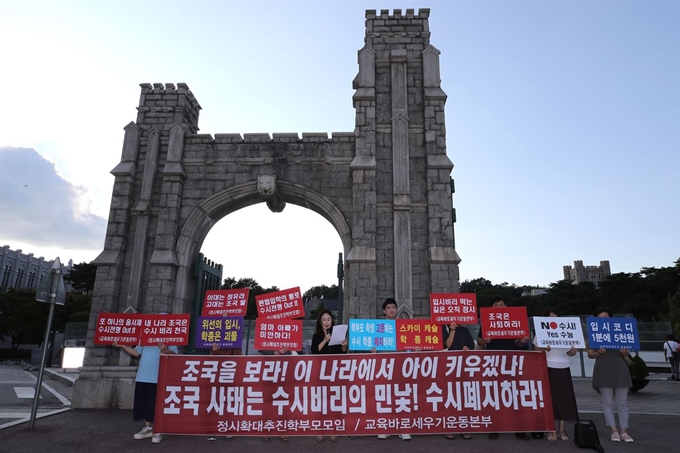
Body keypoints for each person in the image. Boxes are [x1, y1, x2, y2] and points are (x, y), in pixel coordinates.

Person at [477, 297, 533, 441]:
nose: (498, 307)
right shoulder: (487, 321)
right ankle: (495, 427)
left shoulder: (514, 320)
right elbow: (479, 341)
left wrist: (522, 341)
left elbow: (519, 344)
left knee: (515, 395)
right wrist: (485, 340)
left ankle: (519, 428)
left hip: (511, 361)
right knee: (495, 395)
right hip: (493, 361)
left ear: (506, 306)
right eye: (495, 305)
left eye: (501, 305)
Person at [113, 336, 177, 444]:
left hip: (158, 376)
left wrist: (164, 350)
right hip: (142, 376)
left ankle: (158, 429)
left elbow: (175, 355)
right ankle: (148, 428)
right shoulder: (146, 338)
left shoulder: (170, 337)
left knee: (155, 404)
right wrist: (122, 345)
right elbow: (136, 352)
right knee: (143, 403)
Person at [587, 308, 634, 443]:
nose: (603, 321)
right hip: (603, 369)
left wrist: (626, 352)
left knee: (622, 402)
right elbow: (590, 354)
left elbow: (628, 351)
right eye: (600, 318)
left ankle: (624, 431)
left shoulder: (621, 332)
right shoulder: (594, 335)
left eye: (606, 317)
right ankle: (614, 430)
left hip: (620, 370)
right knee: (607, 402)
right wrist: (598, 353)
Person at [533, 308, 579, 442]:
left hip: (563, 367)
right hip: (547, 367)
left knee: (563, 399)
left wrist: (573, 351)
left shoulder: (567, 331)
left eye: (555, 315)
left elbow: (570, 353)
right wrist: (544, 348)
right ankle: (551, 429)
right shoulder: (541, 332)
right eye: (549, 316)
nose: (552, 318)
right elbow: (536, 348)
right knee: (549, 398)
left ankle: (562, 429)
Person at [377, 298, 412, 441]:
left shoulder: (404, 326)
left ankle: (403, 428)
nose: (391, 310)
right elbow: (373, 348)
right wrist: (374, 352)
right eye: (388, 307)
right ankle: (386, 427)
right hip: (384, 367)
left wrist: (413, 351)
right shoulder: (377, 327)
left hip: (401, 367)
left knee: (401, 397)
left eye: (393, 307)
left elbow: (409, 346)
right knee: (385, 398)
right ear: (384, 311)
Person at [311, 309, 347, 442]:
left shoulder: (337, 334)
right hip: (320, 372)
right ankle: (320, 430)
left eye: (329, 319)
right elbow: (314, 351)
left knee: (334, 401)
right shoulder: (316, 336)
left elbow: (342, 354)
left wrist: (344, 346)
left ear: (332, 321)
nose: (327, 322)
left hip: (334, 372)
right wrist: (325, 340)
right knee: (321, 402)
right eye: (324, 320)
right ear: (320, 322)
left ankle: (333, 429)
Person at [442, 320, 474, 440]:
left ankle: (463, 426)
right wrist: (452, 329)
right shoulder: (442, 328)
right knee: (448, 397)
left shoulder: (465, 331)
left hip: (462, 368)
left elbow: (472, 347)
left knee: (462, 397)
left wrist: (468, 349)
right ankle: (449, 426)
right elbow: (447, 345)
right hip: (446, 368)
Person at [206, 343, 240, 441]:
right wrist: (214, 351)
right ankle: (212, 429)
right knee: (214, 401)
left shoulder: (235, 343)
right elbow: (210, 358)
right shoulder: (214, 334)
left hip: (231, 372)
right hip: (215, 372)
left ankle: (227, 427)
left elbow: (237, 356)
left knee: (228, 401)